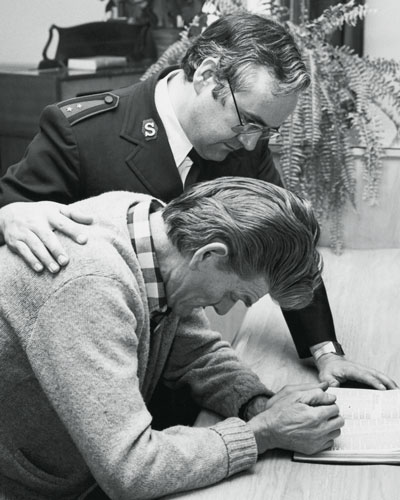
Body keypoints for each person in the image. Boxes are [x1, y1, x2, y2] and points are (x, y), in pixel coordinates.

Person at [0, 13, 395, 389]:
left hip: (186, 371)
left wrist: (325, 351)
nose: (252, 143)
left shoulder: (245, 144)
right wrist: (7, 214)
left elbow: (285, 246)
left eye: (267, 131)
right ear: (207, 75)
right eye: (249, 122)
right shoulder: (82, 135)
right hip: (89, 375)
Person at [0, 178, 345, 500]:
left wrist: (260, 404)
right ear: (209, 255)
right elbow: (131, 468)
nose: (225, 310)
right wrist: (261, 434)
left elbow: (197, 354)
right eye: (237, 295)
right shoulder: (90, 285)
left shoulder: (154, 232)